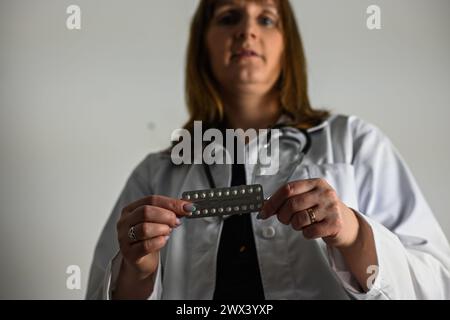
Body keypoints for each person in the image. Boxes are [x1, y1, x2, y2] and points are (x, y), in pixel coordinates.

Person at [86, 0, 450, 299]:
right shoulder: (157, 173)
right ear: (202, 46)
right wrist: (138, 270)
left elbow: (436, 285)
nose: (247, 30)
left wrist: (354, 234)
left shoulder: (355, 143)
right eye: (228, 17)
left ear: (287, 45)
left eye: (266, 18)